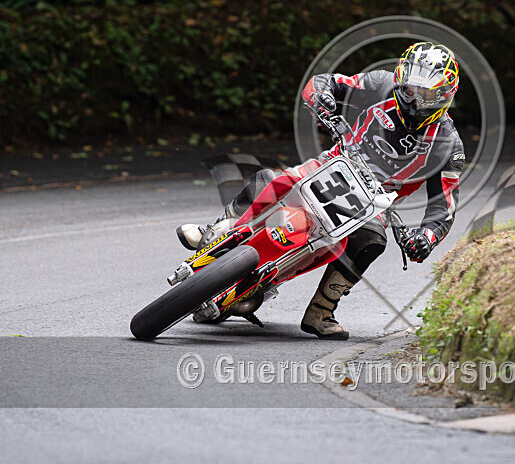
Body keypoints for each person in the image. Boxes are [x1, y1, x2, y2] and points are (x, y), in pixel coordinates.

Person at [177, 42, 465, 340]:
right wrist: (321, 98)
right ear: (399, 79)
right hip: (332, 165)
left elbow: (444, 208)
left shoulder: (449, 145)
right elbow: (325, 82)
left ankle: (322, 311)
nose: (415, 100)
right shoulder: (380, 83)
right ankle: (218, 230)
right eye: (410, 89)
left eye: (426, 94)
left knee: (372, 241)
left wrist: (426, 238)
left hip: (374, 203)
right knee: (269, 179)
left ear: (445, 96)